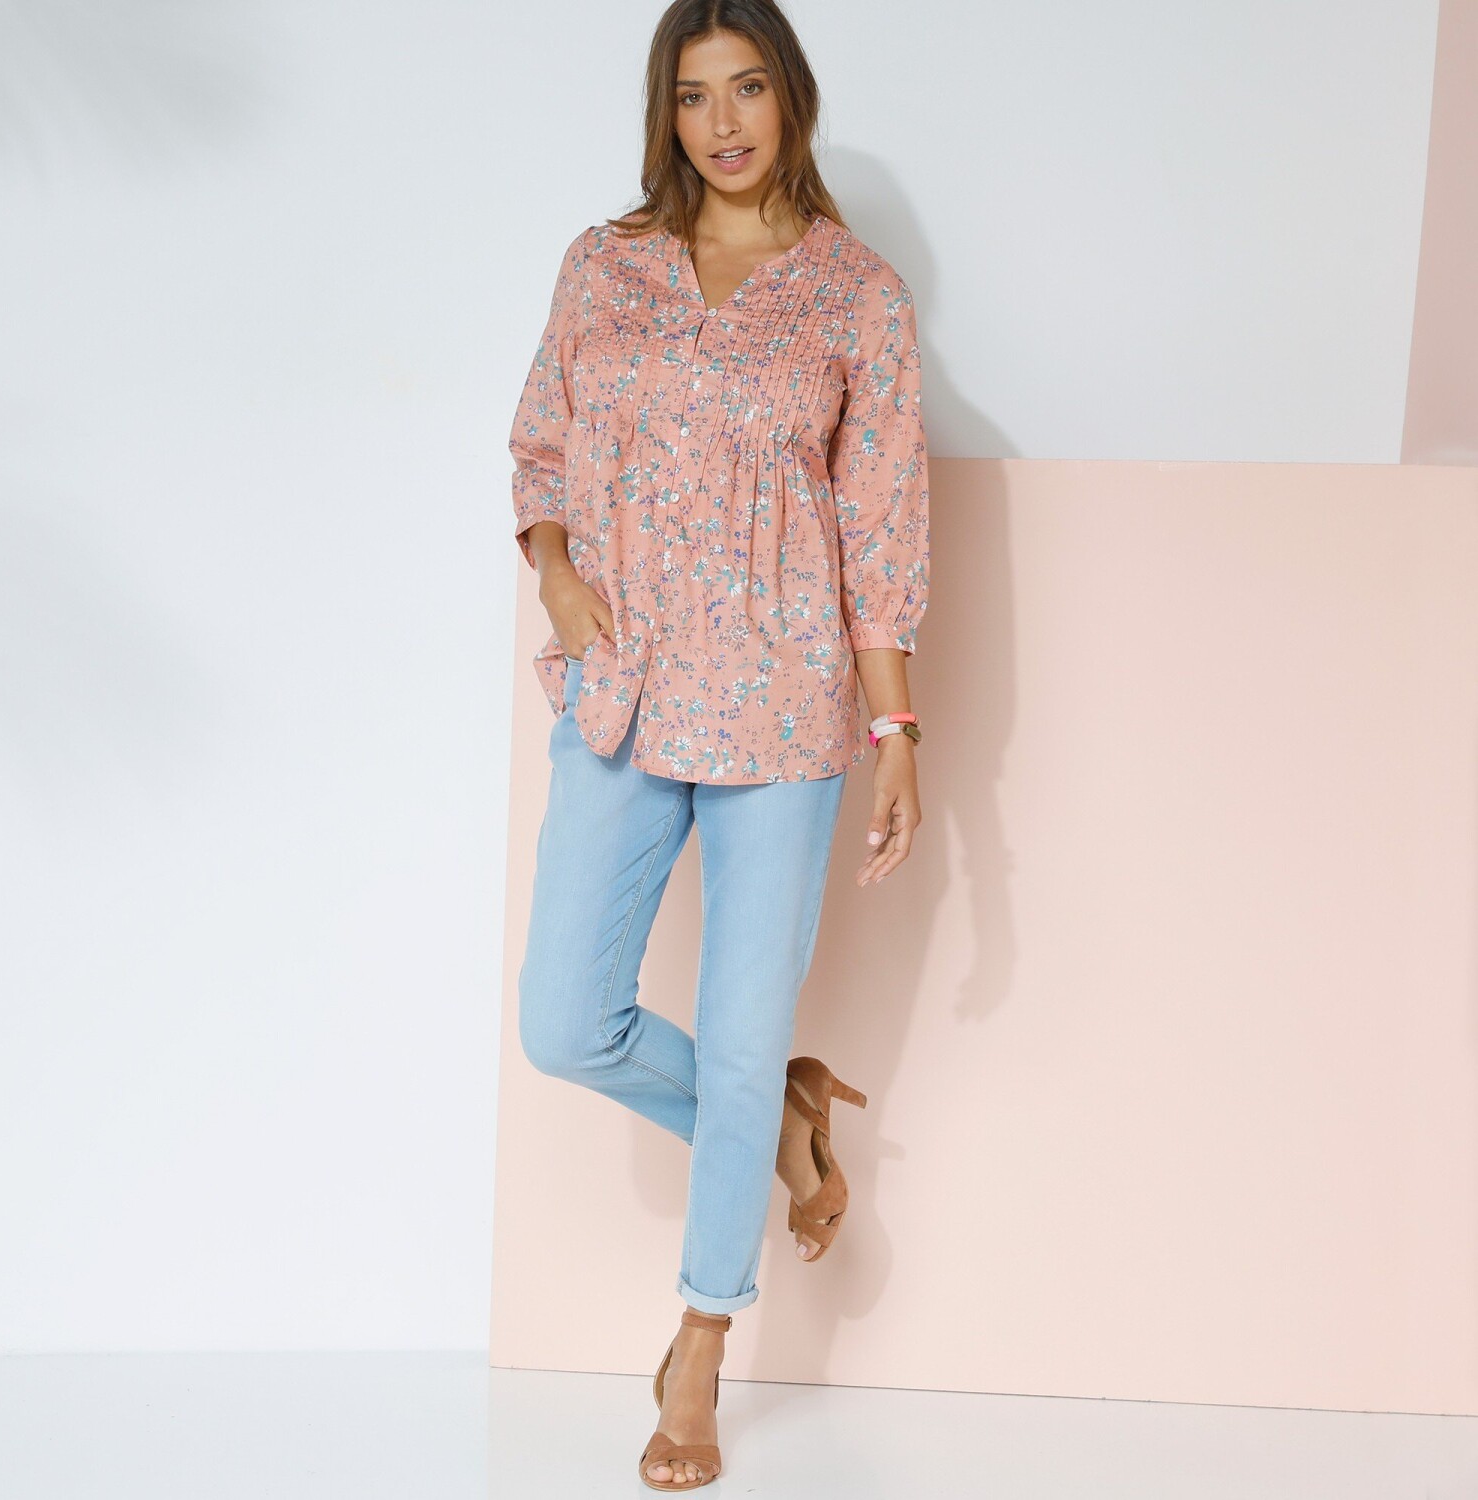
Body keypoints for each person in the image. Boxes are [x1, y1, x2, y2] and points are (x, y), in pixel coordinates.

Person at [507, 0, 930, 1487]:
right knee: (565, 1023)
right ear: (666, 113)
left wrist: (895, 727)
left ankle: (699, 1339)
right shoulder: (604, 265)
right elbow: (541, 447)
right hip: (623, 692)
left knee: (741, 1037)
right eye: (694, 97)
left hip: (784, 710)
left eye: (748, 88)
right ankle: (784, 1125)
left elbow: (880, 528)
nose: (724, 123)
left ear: (790, 96)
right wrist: (556, 573)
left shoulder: (858, 297)